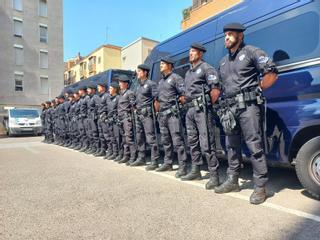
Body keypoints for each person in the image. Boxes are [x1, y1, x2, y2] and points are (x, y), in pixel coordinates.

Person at [215, 23, 278, 204]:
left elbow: (271, 73)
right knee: (231, 147)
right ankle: (232, 180)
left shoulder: (251, 52)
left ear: (240, 36)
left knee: (254, 146)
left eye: (230, 34)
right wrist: (221, 107)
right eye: (225, 35)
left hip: (249, 107)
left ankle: (260, 187)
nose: (226, 38)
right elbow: (219, 88)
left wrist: (257, 89)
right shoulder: (223, 62)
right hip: (230, 109)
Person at [181, 43, 221, 192]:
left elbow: (215, 90)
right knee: (192, 141)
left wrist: (208, 105)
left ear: (200, 53)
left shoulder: (206, 68)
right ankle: (196, 170)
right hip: (190, 111)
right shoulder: (188, 72)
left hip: (202, 110)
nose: (190, 54)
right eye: (190, 51)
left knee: (207, 143)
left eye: (193, 51)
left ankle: (214, 176)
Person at [153, 57, 188, 176]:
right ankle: (168, 163)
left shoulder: (176, 78)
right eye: (160, 63)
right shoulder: (161, 82)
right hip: (162, 116)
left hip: (172, 115)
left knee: (177, 141)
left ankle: (183, 166)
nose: (160, 65)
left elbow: (183, 95)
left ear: (169, 65)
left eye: (163, 64)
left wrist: (180, 109)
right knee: (165, 141)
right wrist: (157, 110)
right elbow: (157, 99)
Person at [131, 64, 160, 170]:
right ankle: (141, 158)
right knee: (139, 138)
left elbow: (156, 99)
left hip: (147, 114)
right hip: (138, 115)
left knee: (151, 138)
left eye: (139, 71)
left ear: (145, 72)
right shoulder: (138, 86)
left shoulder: (151, 84)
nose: (138, 73)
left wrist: (156, 113)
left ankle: (154, 160)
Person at [117, 75, 137, 165]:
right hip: (121, 118)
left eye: (121, 83)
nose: (119, 84)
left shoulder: (129, 93)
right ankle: (126, 155)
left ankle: (133, 156)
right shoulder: (121, 94)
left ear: (126, 84)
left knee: (129, 138)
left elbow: (133, 106)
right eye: (119, 82)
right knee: (124, 139)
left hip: (127, 118)